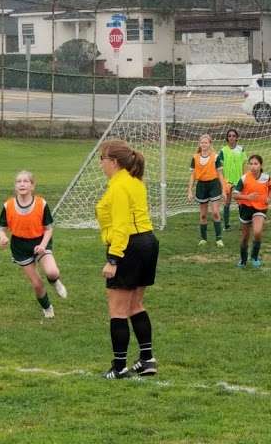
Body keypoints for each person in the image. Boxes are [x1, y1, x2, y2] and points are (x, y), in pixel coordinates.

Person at [97, 140, 160, 379]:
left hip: (128, 246)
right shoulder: (134, 182)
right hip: (147, 242)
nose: (101, 164)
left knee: (118, 309)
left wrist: (113, 259)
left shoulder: (119, 187)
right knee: (135, 305)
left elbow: (122, 225)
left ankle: (119, 366)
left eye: (102, 159)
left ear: (113, 162)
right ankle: (147, 359)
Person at [0, 171, 68, 318]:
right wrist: (3, 237)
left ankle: (55, 282)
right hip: (20, 246)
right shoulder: (8, 205)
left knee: (52, 272)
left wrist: (42, 245)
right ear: (15, 186)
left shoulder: (41, 204)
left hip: (40, 241)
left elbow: (49, 229)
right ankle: (47, 307)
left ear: (32, 186)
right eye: (18, 181)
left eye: (25, 181)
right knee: (37, 284)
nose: (22, 184)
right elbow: (1, 229)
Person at [232, 155, 271, 268]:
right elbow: (235, 195)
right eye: (251, 164)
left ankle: (255, 257)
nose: (253, 166)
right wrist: (248, 197)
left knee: (257, 231)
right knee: (245, 236)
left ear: (261, 165)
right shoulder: (244, 178)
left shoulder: (267, 178)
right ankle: (243, 259)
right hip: (245, 208)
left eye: (256, 164)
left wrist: (269, 198)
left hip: (260, 208)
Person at [186, 133, 227, 247]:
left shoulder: (215, 157)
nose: (204, 144)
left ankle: (219, 239)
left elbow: (220, 174)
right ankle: (203, 239)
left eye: (206, 142)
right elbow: (192, 175)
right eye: (202, 142)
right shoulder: (195, 157)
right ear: (200, 144)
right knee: (203, 215)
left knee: (215, 212)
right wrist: (190, 190)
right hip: (201, 186)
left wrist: (223, 190)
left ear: (210, 144)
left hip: (214, 185)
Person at [219, 129, 246, 231]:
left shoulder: (241, 149)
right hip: (227, 180)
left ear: (237, 137)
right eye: (229, 136)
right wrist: (222, 180)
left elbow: (244, 164)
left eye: (233, 135)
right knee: (227, 202)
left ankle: (244, 224)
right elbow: (220, 167)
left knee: (241, 202)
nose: (231, 137)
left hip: (239, 180)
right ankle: (226, 225)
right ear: (227, 138)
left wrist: (244, 178)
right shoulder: (223, 150)